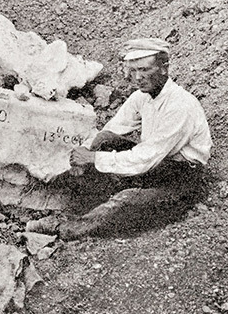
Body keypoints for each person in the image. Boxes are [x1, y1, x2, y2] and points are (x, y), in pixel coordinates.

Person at [31, 38, 213, 239]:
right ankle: (80, 206)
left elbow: (147, 156)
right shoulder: (141, 97)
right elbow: (113, 130)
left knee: (126, 201)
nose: (138, 77)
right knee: (105, 141)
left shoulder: (180, 106)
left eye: (144, 70)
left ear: (164, 68)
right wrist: (84, 153)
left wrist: (93, 159)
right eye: (133, 71)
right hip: (155, 168)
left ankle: (65, 228)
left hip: (181, 179)